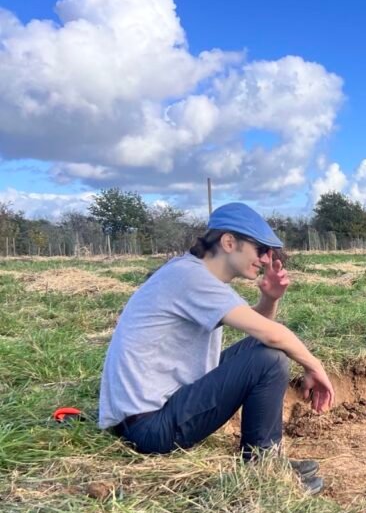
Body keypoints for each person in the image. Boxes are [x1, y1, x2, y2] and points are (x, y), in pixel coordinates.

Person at [98, 202, 335, 494]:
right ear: (229, 242)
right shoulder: (191, 278)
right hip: (148, 428)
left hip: (149, 414)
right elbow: (273, 336)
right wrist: (315, 366)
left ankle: (264, 459)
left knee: (261, 351)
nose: (265, 259)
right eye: (260, 250)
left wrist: (270, 299)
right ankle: (264, 468)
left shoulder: (190, 273)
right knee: (271, 359)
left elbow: (259, 331)